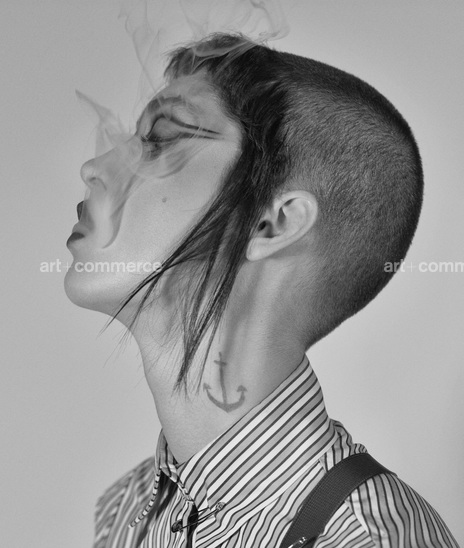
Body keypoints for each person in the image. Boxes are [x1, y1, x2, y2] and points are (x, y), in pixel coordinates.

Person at [65, 34, 459, 547]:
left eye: (160, 138)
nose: (93, 169)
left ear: (271, 223)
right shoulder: (126, 510)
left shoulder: (365, 540)